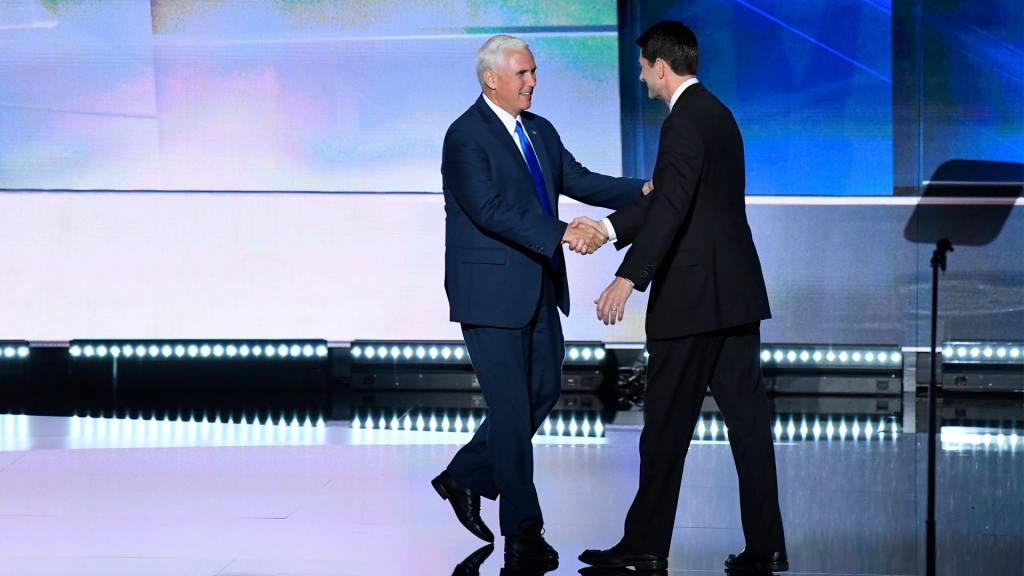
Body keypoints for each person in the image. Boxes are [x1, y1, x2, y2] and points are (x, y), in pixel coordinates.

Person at [575, 21, 788, 572]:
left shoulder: (682, 123)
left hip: (692, 301)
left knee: (665, 429)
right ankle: (766, 547)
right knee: (748, 429)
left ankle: (644, 545)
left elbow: (672, 209)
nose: (642, 75)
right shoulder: (716, 114)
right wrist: (609, 227)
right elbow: (673, 197)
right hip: (734, 295)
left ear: (661, 67)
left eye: (643, 67)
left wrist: (628, 276)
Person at [433, 34, 648, 567]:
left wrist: (646, 190)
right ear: (492, 79)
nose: (533, 82)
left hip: (539, 286)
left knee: (543, 391)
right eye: (523, 73)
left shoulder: (540, 130)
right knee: (509, 411)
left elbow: (578, 180)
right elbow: (489, 209)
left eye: (533, 72)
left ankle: (465, 475)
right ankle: (523, 532)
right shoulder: (465, 137)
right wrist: (562, 233)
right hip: (489, 295)